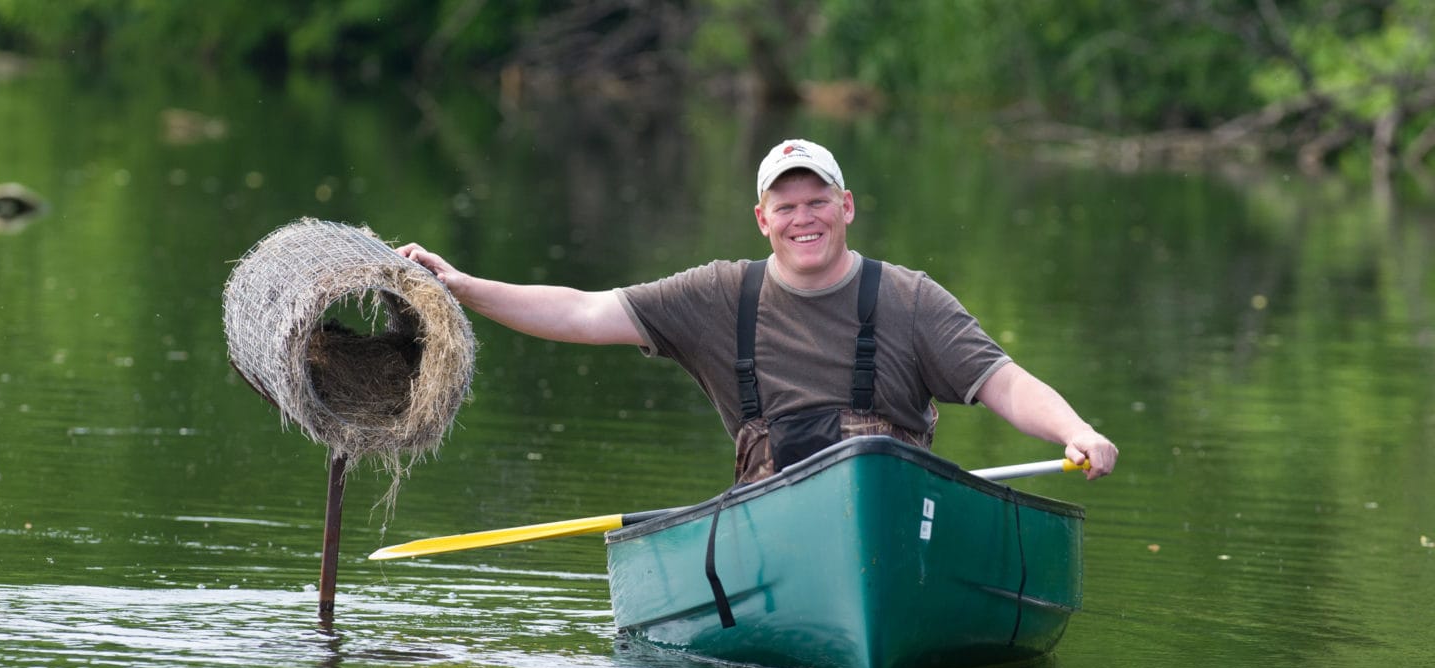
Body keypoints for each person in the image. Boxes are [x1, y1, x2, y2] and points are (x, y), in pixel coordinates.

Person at [398, 138, 1118, 483]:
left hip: (899, 516)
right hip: (767, 522)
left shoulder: (910, 297)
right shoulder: (718, 295)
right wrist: (460, 284)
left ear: (847, 208)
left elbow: (1002, 381)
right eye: (787, 206)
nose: (805, 218)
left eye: (818, 203)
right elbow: (584, 312)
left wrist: (1075, 428)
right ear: (762, 220)